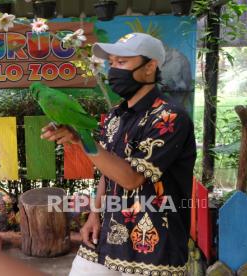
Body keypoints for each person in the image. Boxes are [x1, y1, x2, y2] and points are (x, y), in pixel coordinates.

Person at [41, 33, 196, 275]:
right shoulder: (115, 114)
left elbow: (131, 178)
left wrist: (80, 138)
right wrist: (95, 213)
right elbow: (109, 169)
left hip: (153, 243)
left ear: (150, 67)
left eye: (122, 63)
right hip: (108, 234)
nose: (113, 70)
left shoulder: (170, 117)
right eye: (111, 63)